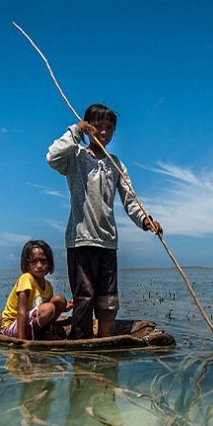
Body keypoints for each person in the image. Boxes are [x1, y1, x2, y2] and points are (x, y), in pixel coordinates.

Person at [47, 103, 162, 339]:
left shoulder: (116, 164)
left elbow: (131, 200)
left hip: (107, 242)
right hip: (80, 241)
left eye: (109, 127)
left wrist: (145, 220)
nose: (103, 132)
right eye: (97, 126)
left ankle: (105, 343)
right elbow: (52, 156)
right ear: (88, 128)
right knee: (85, 297)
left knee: (108, 301)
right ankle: (82, 345)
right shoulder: (75, 158)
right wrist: (75, 131)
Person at [0, 240, 71, 340]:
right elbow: (21, 312)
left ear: (49, 263)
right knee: (48, 308)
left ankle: (42, 332)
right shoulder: (26, 279)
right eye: (34, 262)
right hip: (13, 325)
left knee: (60, 299)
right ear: (27, 264)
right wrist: (21, 341)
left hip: (29, 321)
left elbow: (49, 309)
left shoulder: (48, 285)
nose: (39, 266)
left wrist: (67, 307)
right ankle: (29, 336)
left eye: (43, 261)